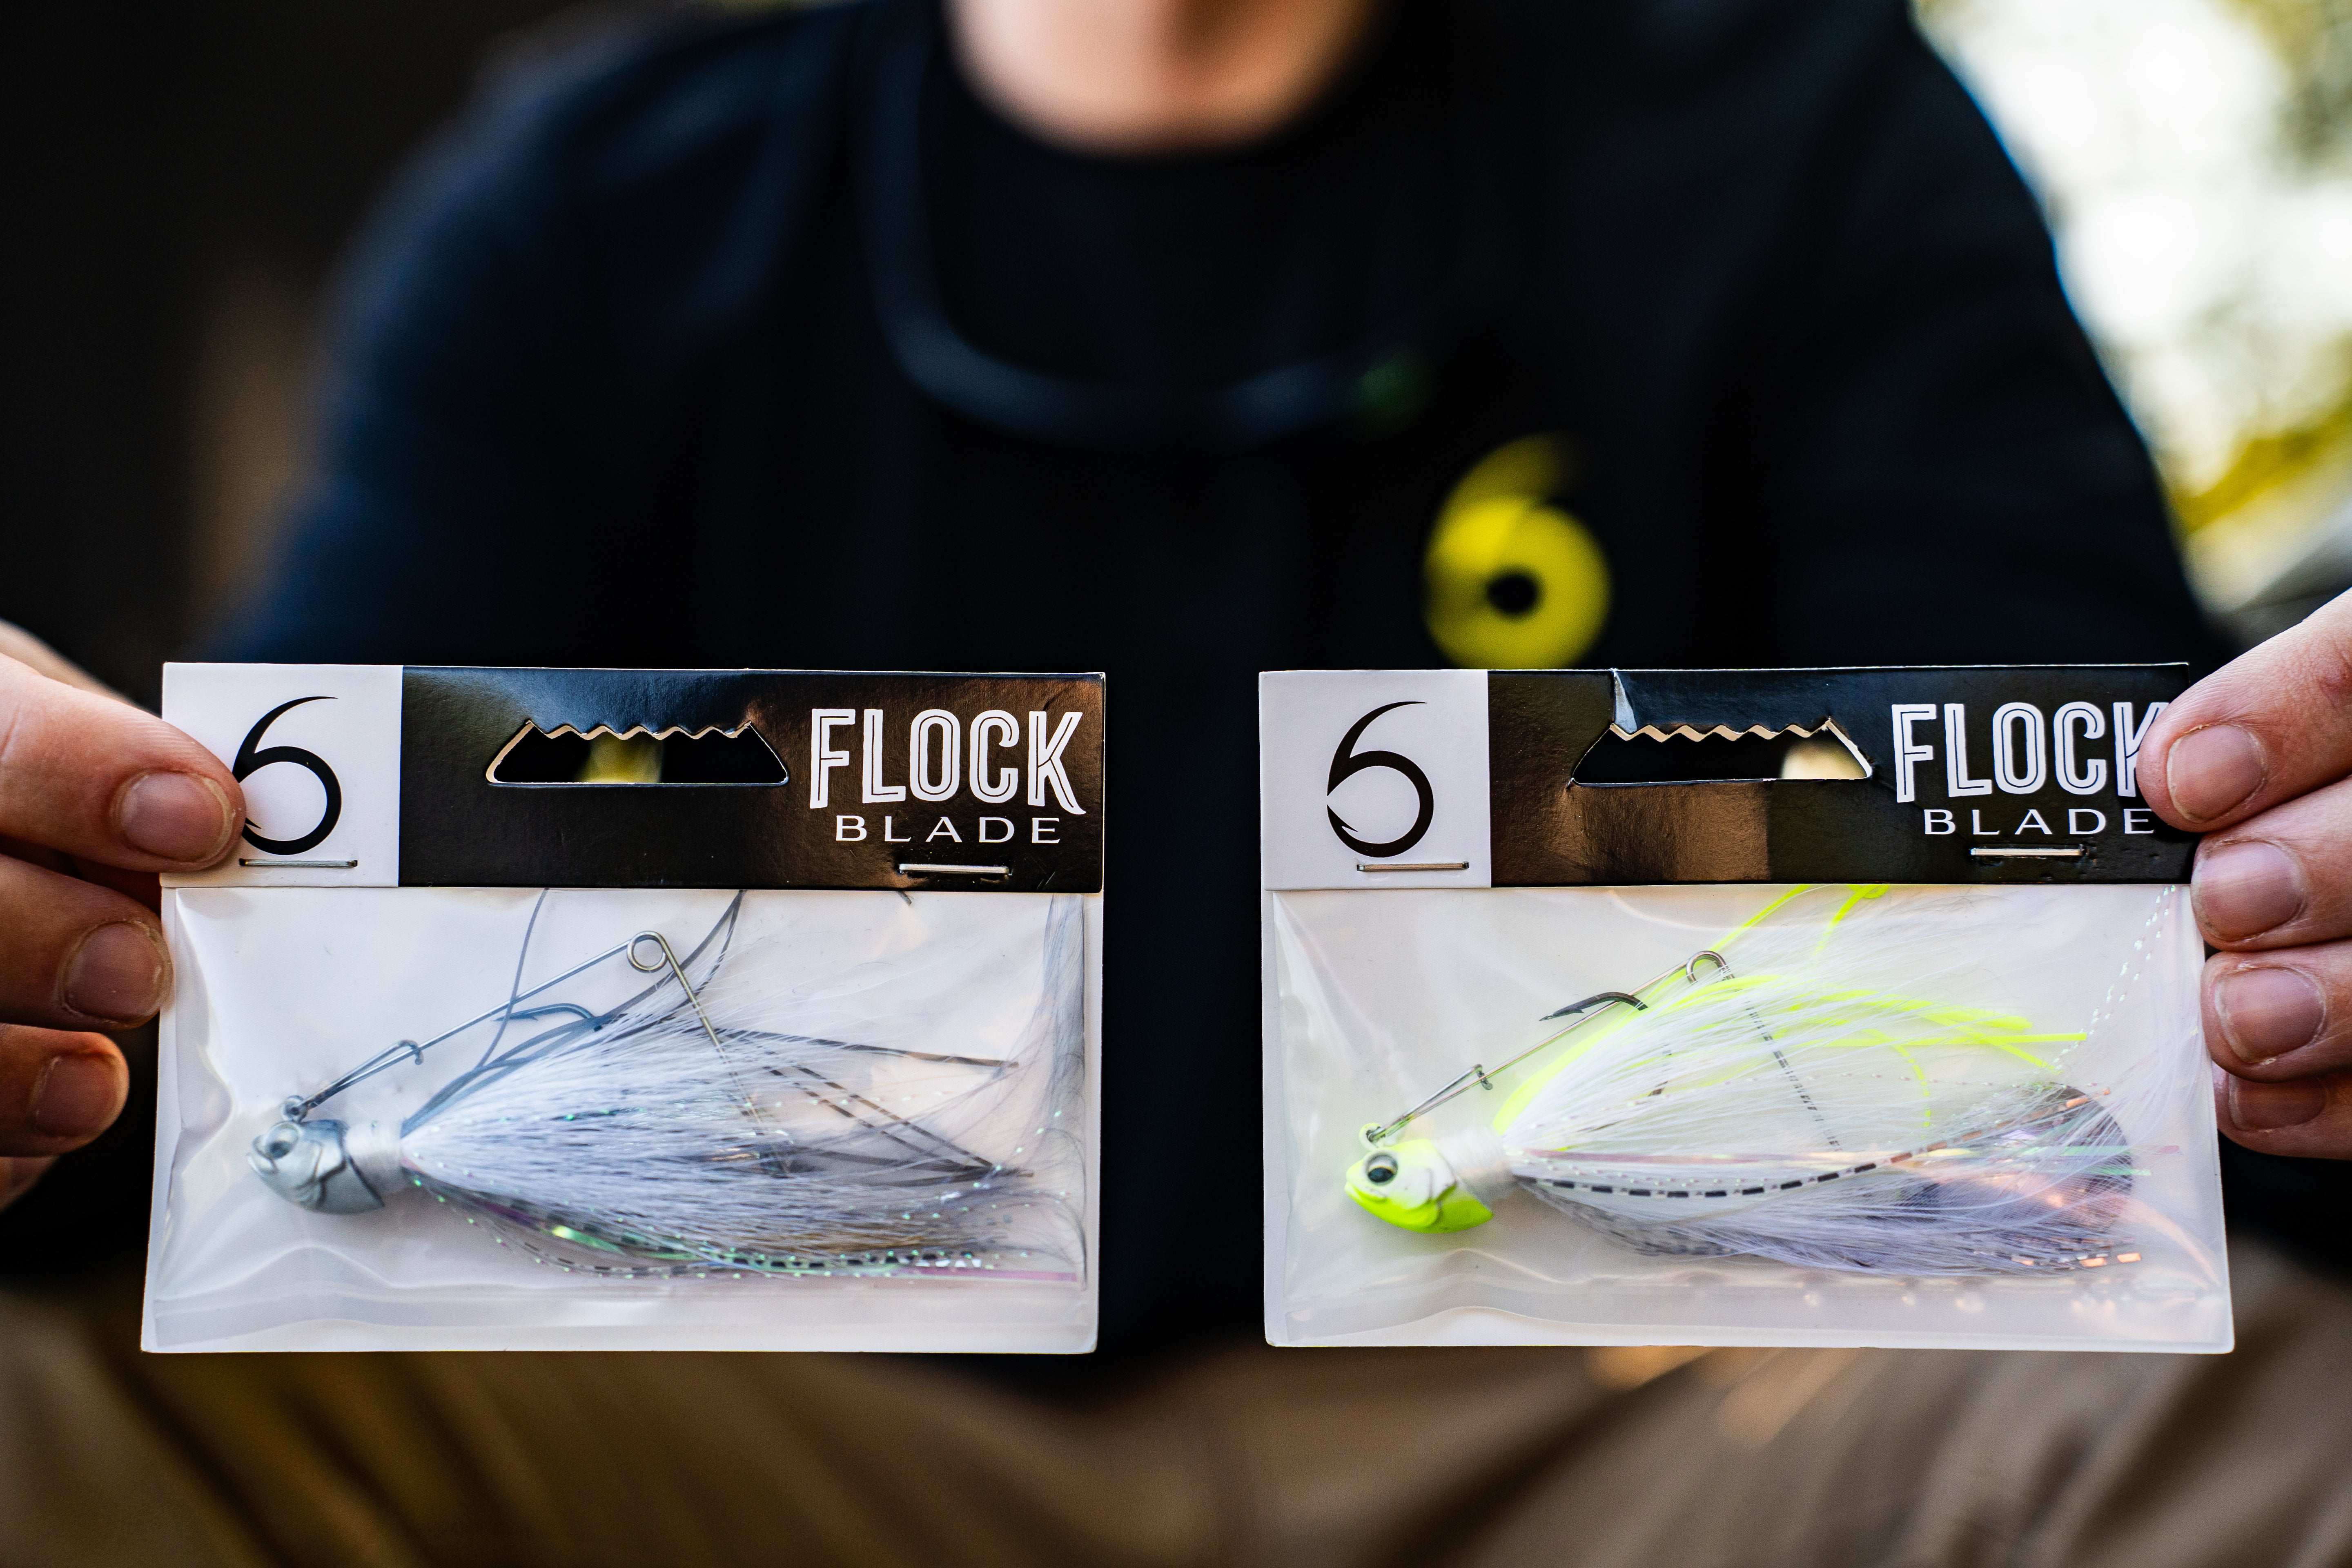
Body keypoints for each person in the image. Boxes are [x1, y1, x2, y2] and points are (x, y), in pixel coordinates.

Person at [1, 0, 2349, 1561]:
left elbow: (2153, 1009)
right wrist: (56, 970)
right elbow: (198, 1052)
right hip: (760, 1441)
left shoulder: (1815, 134)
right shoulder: (571, 218)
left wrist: (2296, 959)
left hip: (1677, 1423)